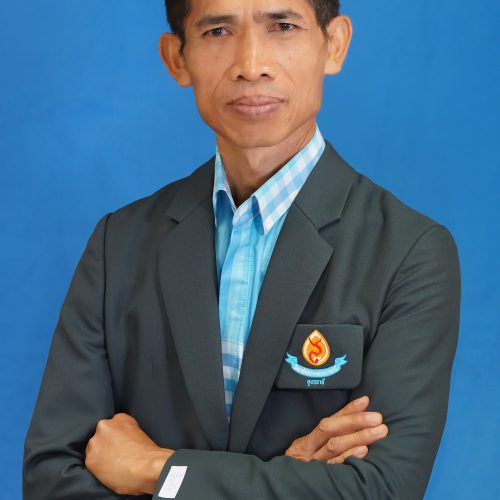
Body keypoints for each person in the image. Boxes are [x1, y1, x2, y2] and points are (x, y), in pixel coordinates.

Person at [23, 1, 461, 498]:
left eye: (283, 26)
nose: (251, 65)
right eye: (217, 31)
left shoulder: (410, 254)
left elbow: (381, 489)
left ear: (335, 44)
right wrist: (289, 484)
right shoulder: (117, 245)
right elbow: (50, 479)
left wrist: (158, 470)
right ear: (177, 58)